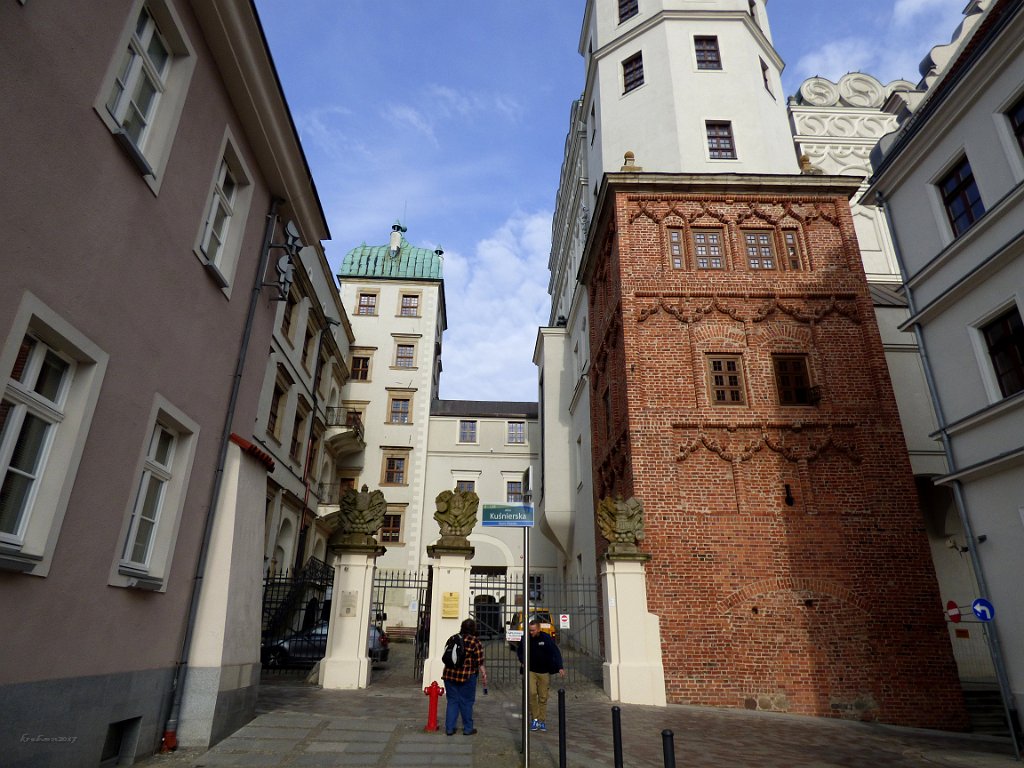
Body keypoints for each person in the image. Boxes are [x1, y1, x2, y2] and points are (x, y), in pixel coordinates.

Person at [517, 617, 565, 732]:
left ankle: (542, 720)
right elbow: (520, 651)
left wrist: (560, 667)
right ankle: (535, 719)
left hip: (544, 671)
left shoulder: (546, 638)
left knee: (543, 697)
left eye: (533, 630)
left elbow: (555, 652)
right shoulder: (526, 638)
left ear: (538, 629)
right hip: (531, 670)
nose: (531, 632)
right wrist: (523, 661)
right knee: (532, 693)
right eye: (530, 630)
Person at [441, 618, 488, 736]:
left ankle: (449, 728)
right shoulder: (475, 642)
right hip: (466, 676)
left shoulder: (453, 638)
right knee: (466, 702)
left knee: (452, 701)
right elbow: (479, 661)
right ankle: (467, 729)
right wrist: (483, 673)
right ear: (473, 629)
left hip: (449, 675)